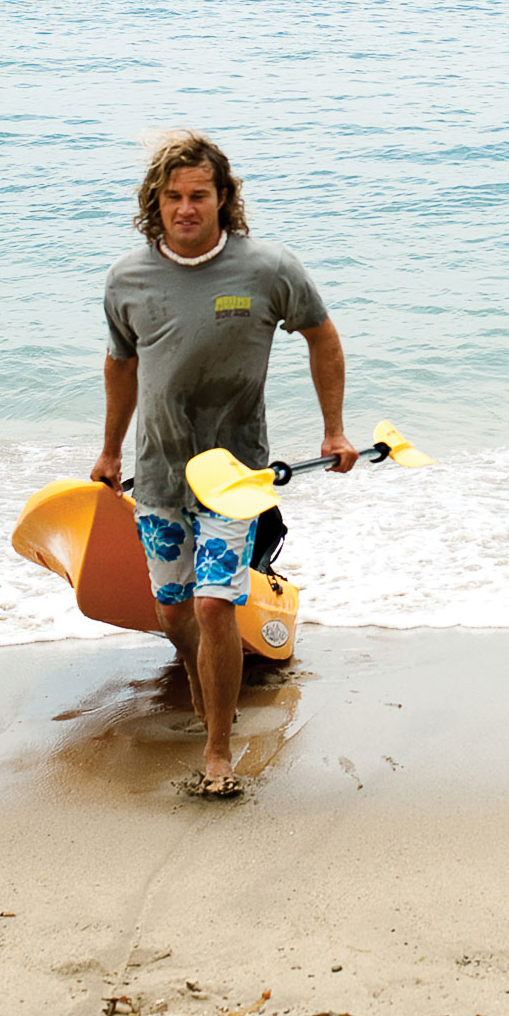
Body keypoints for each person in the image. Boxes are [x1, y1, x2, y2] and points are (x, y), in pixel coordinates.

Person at [92, 132, 355, 795]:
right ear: (155, 200)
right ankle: (214, 673)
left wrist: (333, 430)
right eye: (174, 196)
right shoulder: (127, 278)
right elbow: (121, 367)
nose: (186, 208)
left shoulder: (267, 269)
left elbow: (322, 337)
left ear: (223, 198)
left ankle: (218, 752)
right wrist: (107, 451)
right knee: (175, 610)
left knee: (214, 607)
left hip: (235, 478)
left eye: (199, 195)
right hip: (158, 475)